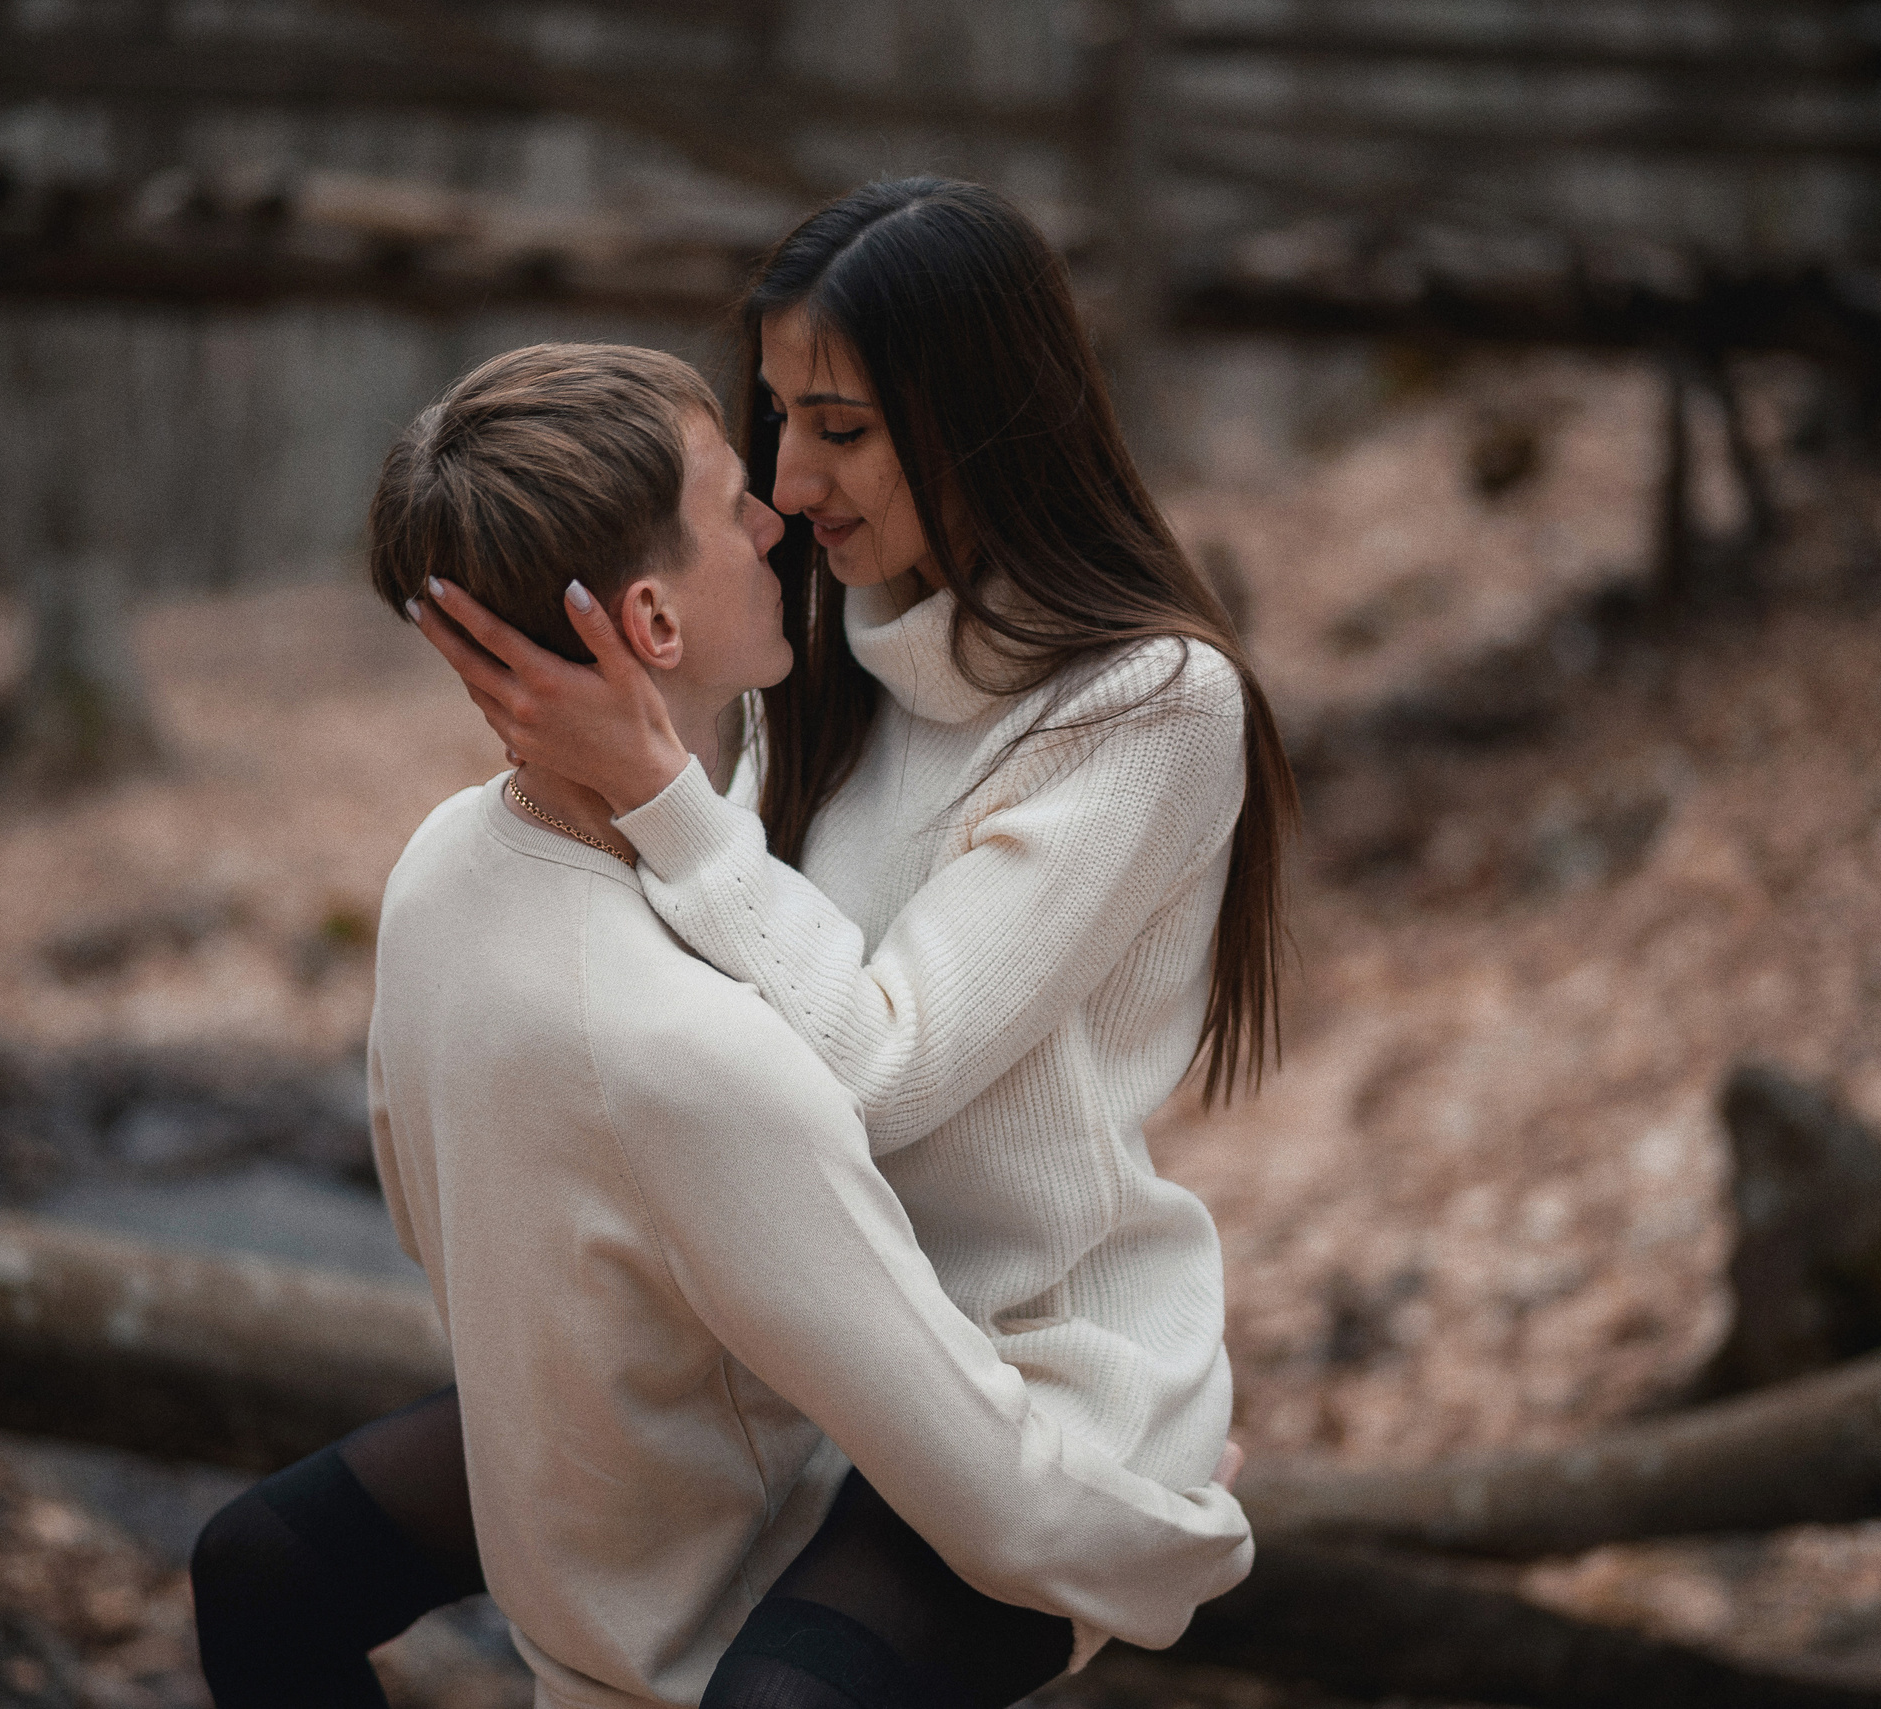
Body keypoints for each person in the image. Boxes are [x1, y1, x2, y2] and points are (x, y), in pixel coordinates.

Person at [190, 343, 1253, 1709]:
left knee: (257, 1560)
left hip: (721, 1414)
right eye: (734, 499)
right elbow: (986, 1482)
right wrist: (1184, 1539)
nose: (778, 516)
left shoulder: (437, 867)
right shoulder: (703, 1054)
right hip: (767, 1475)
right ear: (651, 621)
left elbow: (426, 1218)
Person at [414, 177, 1296, 1500]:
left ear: (988, 419)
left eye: (841, 428)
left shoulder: (1150, 704)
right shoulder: (834, 630)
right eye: (778, 418)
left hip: (1030, 1374)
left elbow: (882, 1067)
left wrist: (658, 784)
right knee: (274, 1558)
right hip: (806, 1342)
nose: (788, 483)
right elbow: (716, 989)